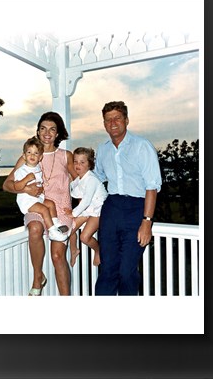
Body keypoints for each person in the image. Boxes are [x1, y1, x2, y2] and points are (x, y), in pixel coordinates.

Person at [3, 112, 77, 296]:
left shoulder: (66, 156)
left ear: (58, 133)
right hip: (36, 204)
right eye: (43, 128)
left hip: (60, 209)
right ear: (37, 131)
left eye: (52, 129)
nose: (47, 133)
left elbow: (81, 183)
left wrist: (79, 210)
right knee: (35, 228)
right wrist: (25, 190)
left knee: (58, 256)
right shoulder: (29, 155)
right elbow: (6, 185)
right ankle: (38, 277)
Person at [94, 101, 162, 296]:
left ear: (126, 120)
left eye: (117, 118)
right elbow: (97, 179)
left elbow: (152, 186)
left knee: (126, 271)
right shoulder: (103, 149)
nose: (113, 123)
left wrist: (147, 222)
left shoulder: (142, 146)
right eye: (108, 120)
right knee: (107, 269)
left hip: (136, 210)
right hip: (111, 209)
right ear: (104, 124)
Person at [14, 136, 69, 242]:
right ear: (24, 156)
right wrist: (26, 179)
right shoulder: (22, 170)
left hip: (37, 198)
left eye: (35, 153)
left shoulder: (37, 168)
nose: (32, 155)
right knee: (44, 209)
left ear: (40, 157)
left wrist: (41, 189)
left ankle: (56, 224)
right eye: (29, 152)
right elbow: (17, 187)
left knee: (51, 204)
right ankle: (52, 232)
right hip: (27, 201)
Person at [64, 147, 108, 267]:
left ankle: (98, 250)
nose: (78, 165)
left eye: (82, 162)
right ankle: (74, 250)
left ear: (90, 164)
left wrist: (73, 213)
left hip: (97, 211)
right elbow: (73, 191)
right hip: (87, 211)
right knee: (69, 229)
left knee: (84, 237)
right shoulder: (79, 179)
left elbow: (86, 201)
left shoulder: (91, 179)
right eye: (75, 161)